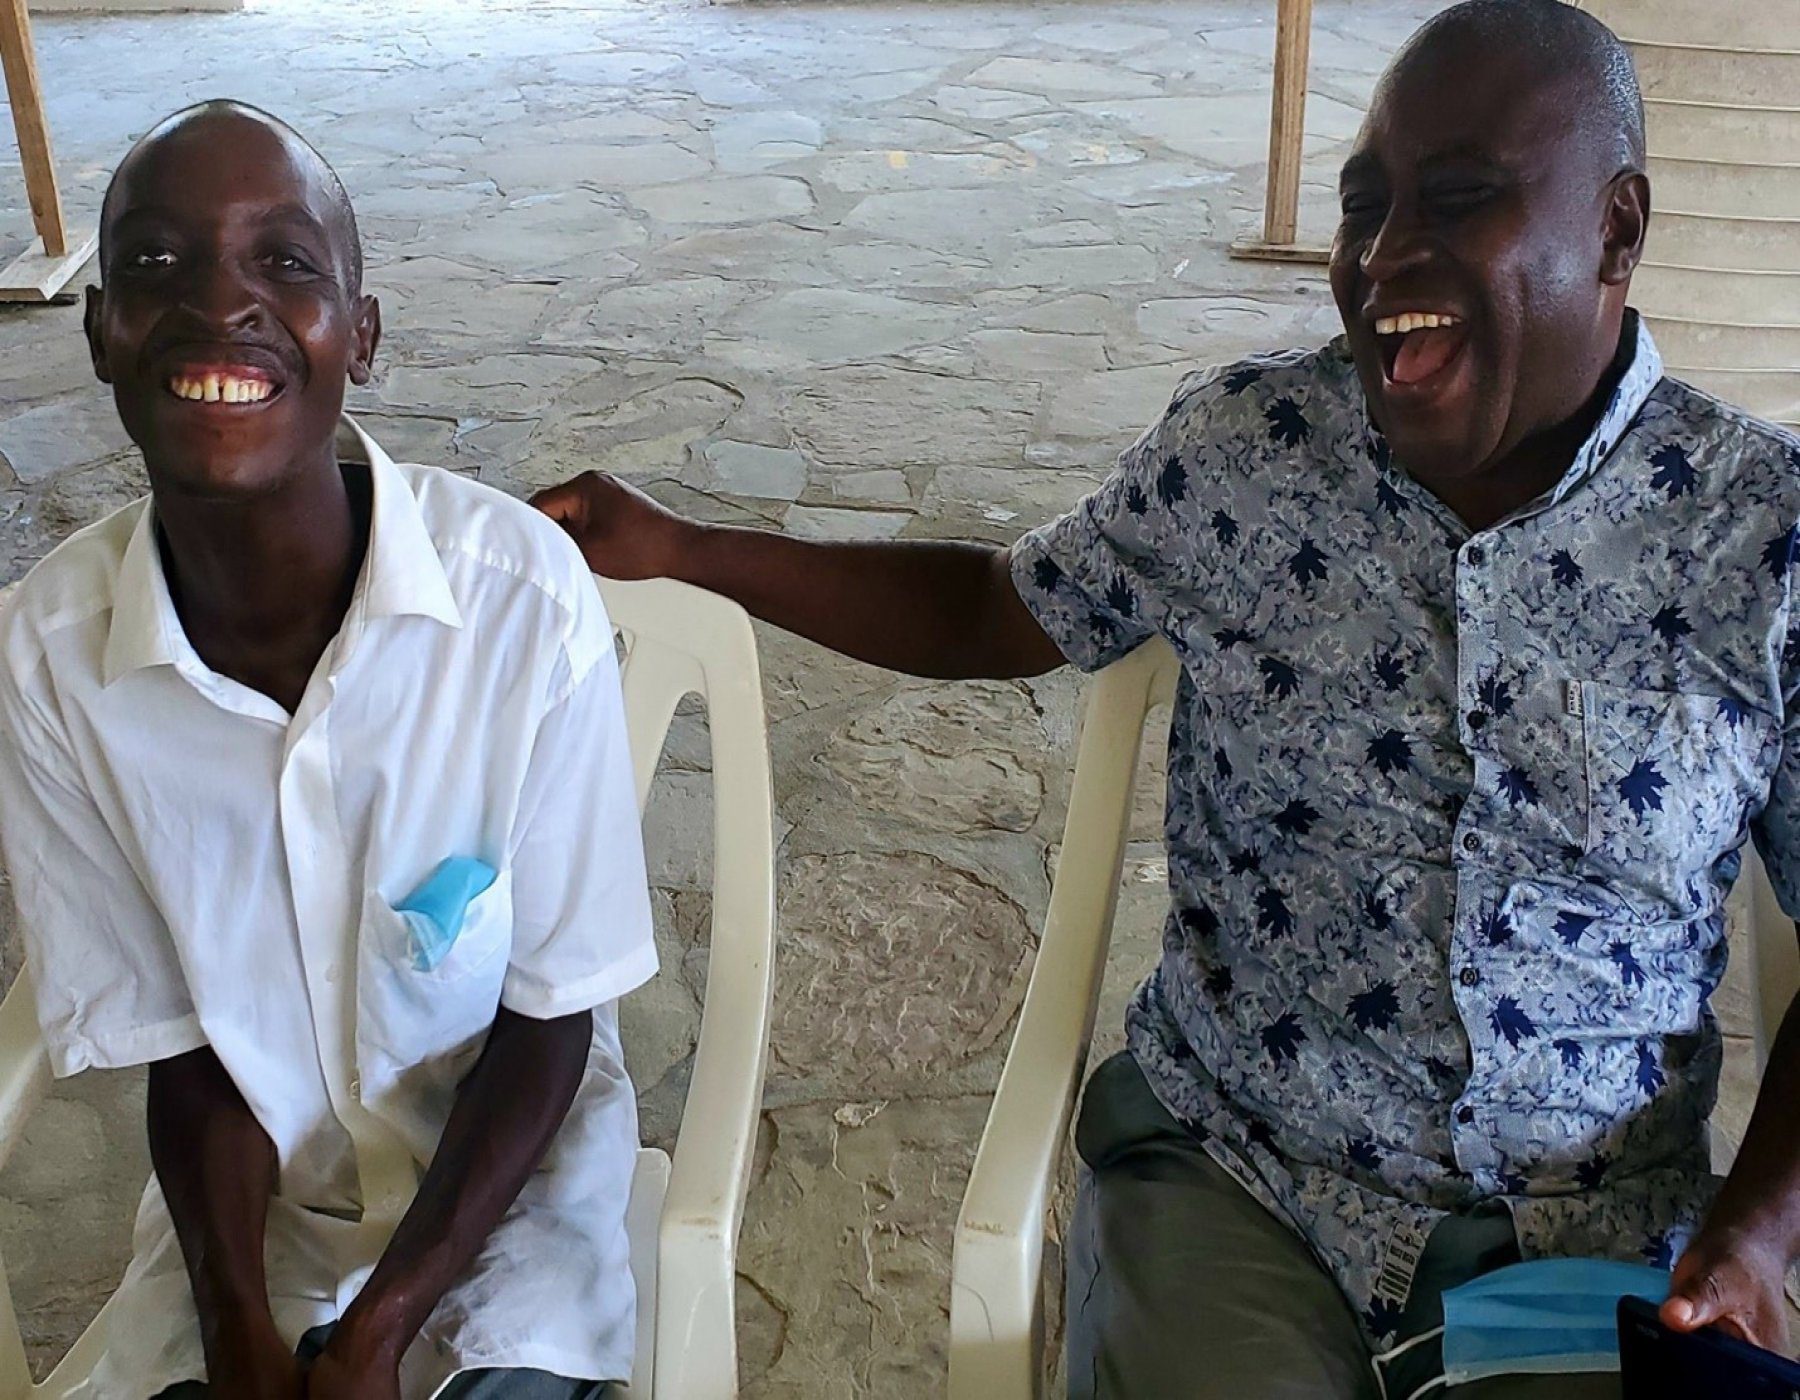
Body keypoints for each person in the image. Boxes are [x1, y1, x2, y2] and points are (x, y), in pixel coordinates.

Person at [534, 3, 1800, 1396]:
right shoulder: (1248, 455)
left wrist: (1755, 1237)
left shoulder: (1762, 542)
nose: (1384, 264)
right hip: (1241, 1184)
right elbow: (1000, 609)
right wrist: (691, 549)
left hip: (1589, 1245)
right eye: (1362, 210)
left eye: (1459, 202)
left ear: (1617, 231)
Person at [0, 102, 656, 1400]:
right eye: (153, 265)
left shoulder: (517, 606)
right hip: (262, 1229)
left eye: (286, 263)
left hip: (507, 1224)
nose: (218, 304)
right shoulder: (49, 660)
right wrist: (241, 1327)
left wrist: (382, 1331)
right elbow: (190, 1048)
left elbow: (550, 1029)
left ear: (362, 335)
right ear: (99, 334)